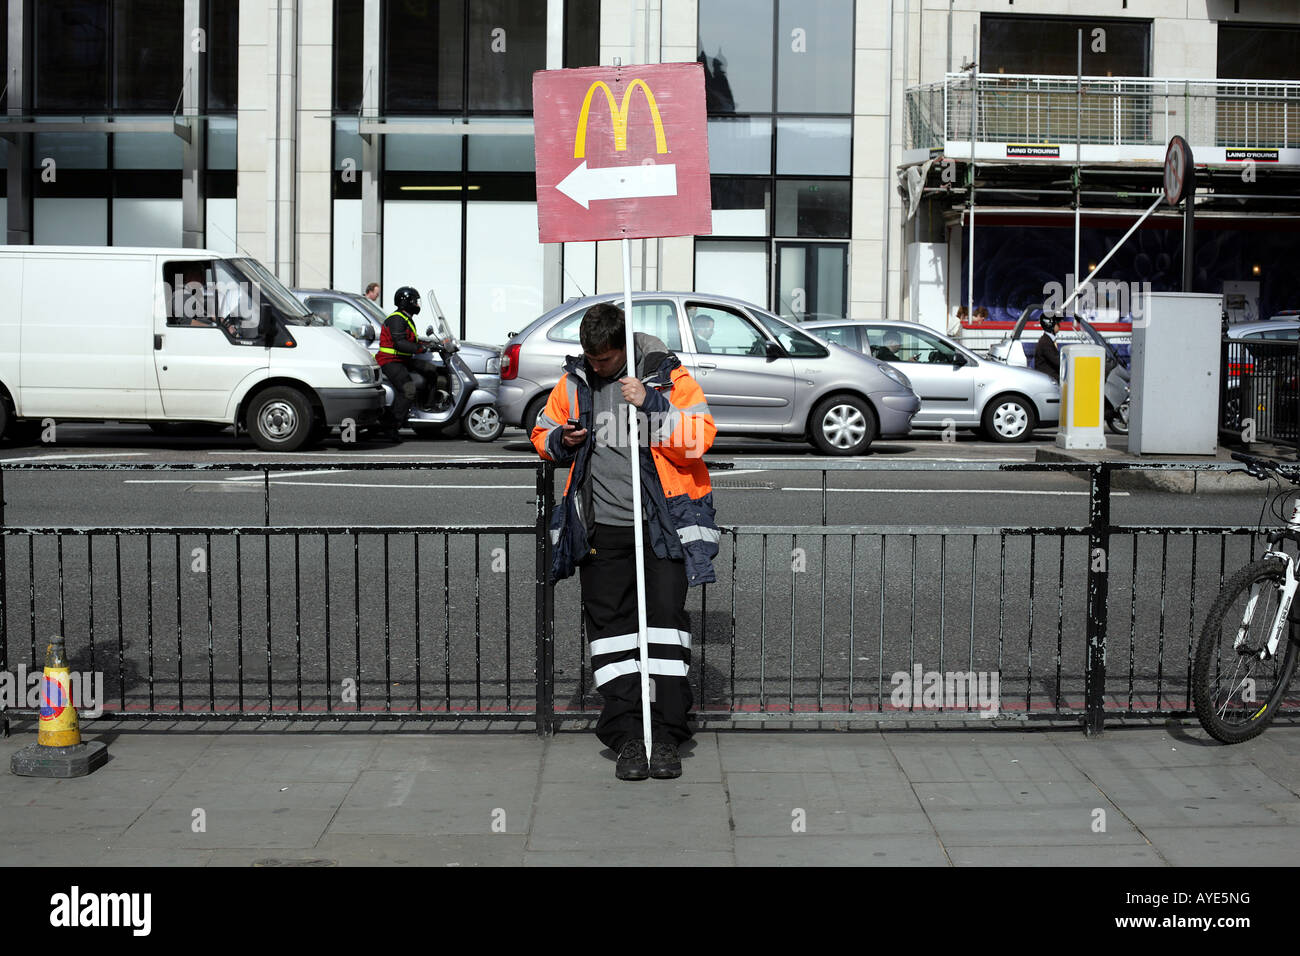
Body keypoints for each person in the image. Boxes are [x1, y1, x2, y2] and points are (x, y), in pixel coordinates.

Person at [531, 302, 719, 782]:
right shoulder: (574, 383)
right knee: (612, 634)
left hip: (662, 526)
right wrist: (563, 442)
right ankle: (627, 735)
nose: (598, 368)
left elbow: (700, 438)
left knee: (664, 627)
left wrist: (652, 404)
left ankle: (668, 734)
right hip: (602, 529)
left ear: (625, 347)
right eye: (591, 359)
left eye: (607, 360)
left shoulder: (664, 376)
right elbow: (542, 433)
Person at [375, 286, 428, 441]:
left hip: (402, 359)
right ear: (406, 302)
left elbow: (411, 339)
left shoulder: (405, 317)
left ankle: (427, 409)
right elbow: (399, 343)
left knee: (431, 370)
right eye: (415, 301)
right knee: (408, 390)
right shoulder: (396, 319)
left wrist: (431, 344)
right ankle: (392, 426)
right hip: (390, 361)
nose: (417, 304)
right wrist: (420, 348)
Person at [1034, 314, 1062, 379]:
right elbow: (1057, 362)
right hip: (1049, 379)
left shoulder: (1047, 340)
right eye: (1057, 323)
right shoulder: (1046, 342)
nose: (1059, 325)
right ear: (1050, 325)